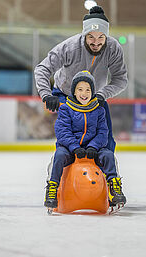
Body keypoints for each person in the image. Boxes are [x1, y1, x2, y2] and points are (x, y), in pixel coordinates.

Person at [34, 5, 128, 153]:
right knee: (67, 137)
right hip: (66, 94)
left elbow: (120, 79)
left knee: (106, 137)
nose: (96, 42)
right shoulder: (69, 47)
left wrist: (103, 94)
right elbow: (42, 69)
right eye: (91, 36)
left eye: (101, 37)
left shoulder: (113, 48)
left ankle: (106, 171)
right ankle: (62, 166)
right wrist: (46, 94)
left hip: (95, 97)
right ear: (84, 34)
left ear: (106, 36)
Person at [44, 71, 126, 210]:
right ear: (74, 92)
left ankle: (114, 188)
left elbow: (103, 132)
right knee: (58, 156)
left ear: (92, 92)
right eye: (80, 89)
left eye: (88, 90)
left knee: (108, 155)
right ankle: (52, 188)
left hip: (92, 149)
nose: (84, 93)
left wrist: (93, 147)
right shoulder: (66, 108)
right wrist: (75, 147)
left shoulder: (99, 110)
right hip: (70, 148)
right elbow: (63, 132)